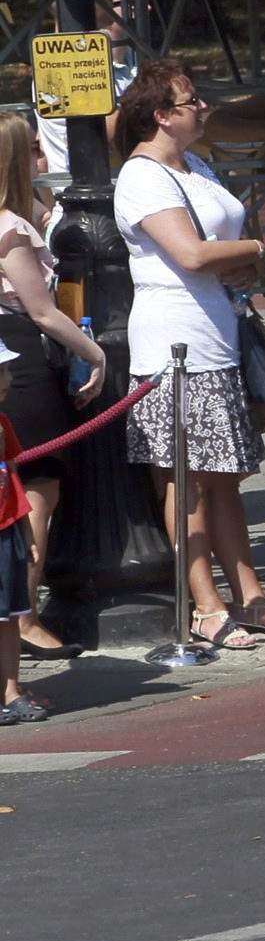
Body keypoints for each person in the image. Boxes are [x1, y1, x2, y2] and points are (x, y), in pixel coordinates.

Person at [112, 63, 265, 651]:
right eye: (190, 102)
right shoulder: (141, 177)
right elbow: (191, 255)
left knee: (225, 478)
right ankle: (205, 604)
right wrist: (252, 250)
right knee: (185, 479)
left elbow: (220, 254)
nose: (202, 109)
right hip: (174, 344)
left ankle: (250, 596)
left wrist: (242, 258)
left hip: (217, 335)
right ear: (160, 115)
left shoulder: (195, 165)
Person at [0, 116, 102, 663]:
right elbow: (42, 310)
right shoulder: (9, 230)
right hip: (21, 360)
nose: (43, 155)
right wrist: (95, 353)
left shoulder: (24, 216)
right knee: (37, 487)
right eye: (34, 148)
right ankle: (26, 615)